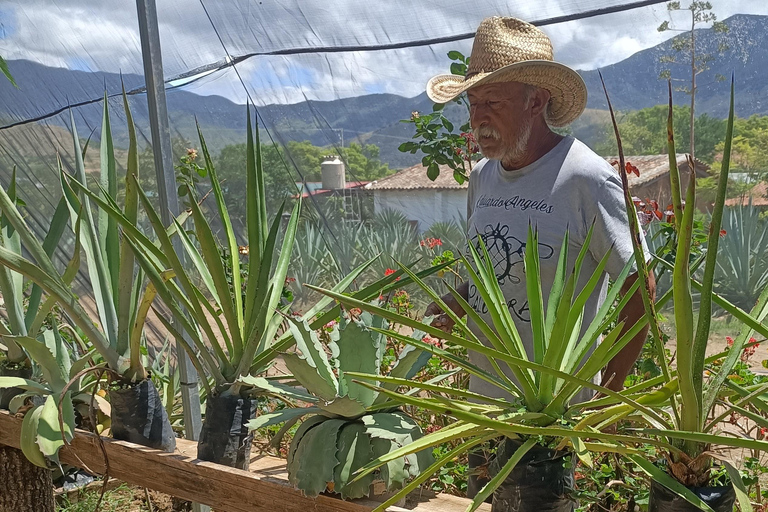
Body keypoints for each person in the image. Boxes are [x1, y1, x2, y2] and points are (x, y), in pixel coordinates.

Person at [422, 16, 655, 498]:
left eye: (493, 102)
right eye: (472, 103)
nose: (478, 118)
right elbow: (491, 268)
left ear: (536, 101)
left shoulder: (586, 180)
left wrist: (604, 404)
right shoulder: (483, 179)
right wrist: (460, 299)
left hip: (556, 420)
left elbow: (642, 291)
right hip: (485, 409)